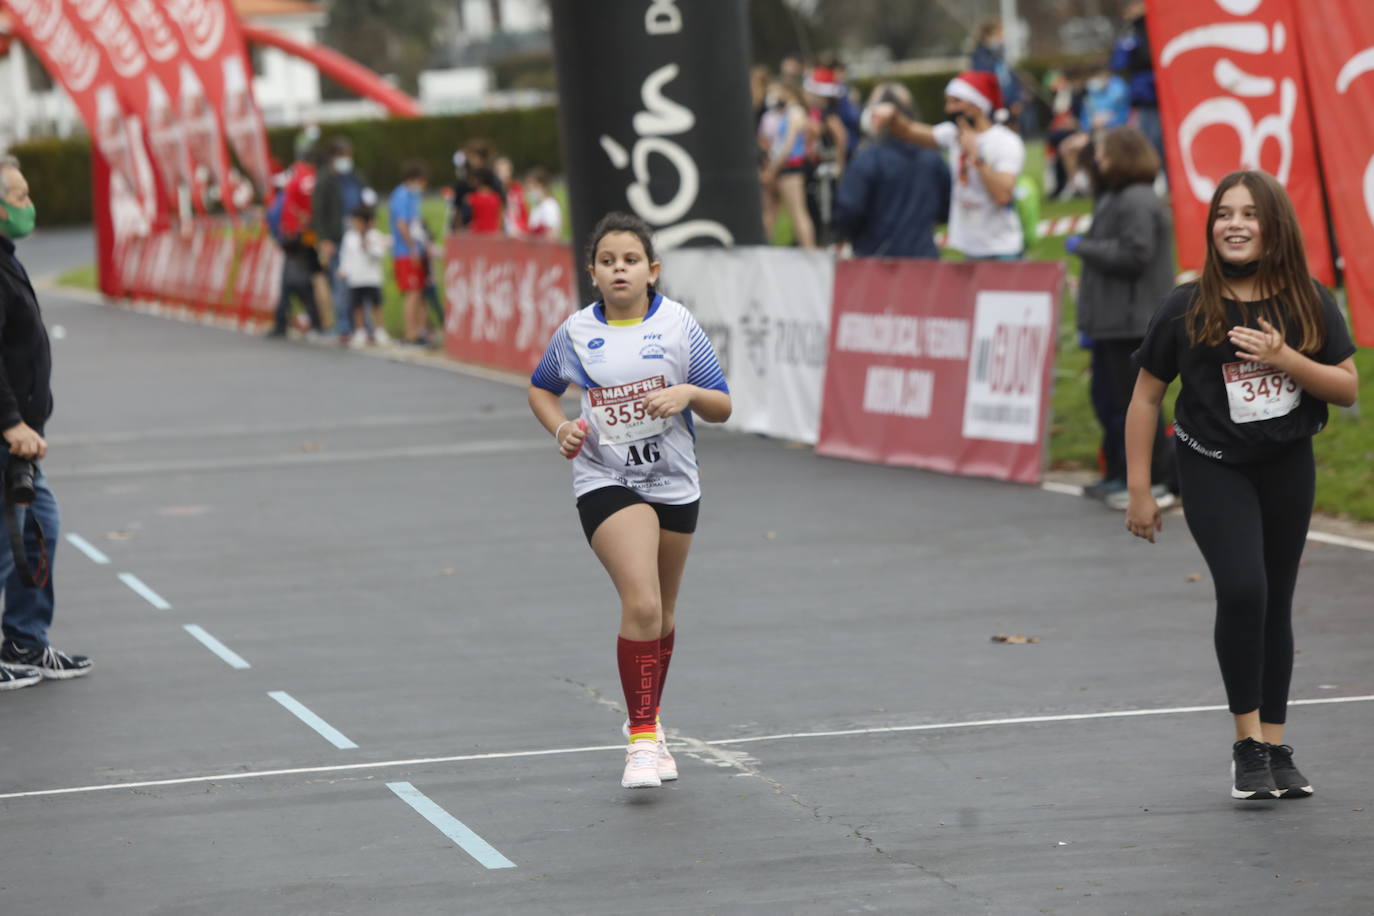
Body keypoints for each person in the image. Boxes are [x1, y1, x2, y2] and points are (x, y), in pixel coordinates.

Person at [1124, 170, 1359, 801]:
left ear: (1273, 225)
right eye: (1224, 212)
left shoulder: (1307, 300)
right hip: (1212, 463)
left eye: (1249, 214)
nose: (1234, 223)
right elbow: (1146, 398)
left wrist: (1284, 359)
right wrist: (1141, 489)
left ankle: (1276, 747)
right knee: (1244, 588)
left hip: (1286, 464)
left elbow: (1347, 386)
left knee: (1276, 599)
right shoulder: (1186, 304)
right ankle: (1246, 745)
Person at [526, 212, 731, 789]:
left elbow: (722, 404)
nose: (620, 269)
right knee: (640, 603)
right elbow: (542, 387)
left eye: (631, 260)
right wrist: (559, 427)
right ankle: (641, 742)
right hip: (605, 479)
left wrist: (687, 392)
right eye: (608, 261)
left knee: (662, 613)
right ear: (593, 273)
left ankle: (651, 720)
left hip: (674, 481)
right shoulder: (575, 333)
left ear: (652, 271)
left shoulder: (677, 325)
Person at [0, 155, 92, 687]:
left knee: (40, 529)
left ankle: (26, 642)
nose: (28, 205)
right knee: (6, 545)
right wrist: (11, 420)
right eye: (18, 196)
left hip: (22, 441)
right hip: (8, 435)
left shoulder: (6, 258)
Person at [1064, 127, 1176, 506]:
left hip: (1132, 321)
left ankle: (1156, 480)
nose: (1099, 161)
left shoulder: (1137, 201)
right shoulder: (1115, 197)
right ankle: (1118, 472)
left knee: (1136, 406)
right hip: (1112, 321)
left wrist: (1087, 248)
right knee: (1110, 403)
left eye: (1105, 154)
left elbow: (1135, 255)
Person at [872, 70, 1026, 259]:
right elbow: (908, 132)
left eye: (955, 102)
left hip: (1001, 250)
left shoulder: (1005, 142)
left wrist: (976, 156)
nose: (948, 109)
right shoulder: (952, 134)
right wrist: (893, 116)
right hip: (970, 249)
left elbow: (1002, 195)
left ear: (976, 104)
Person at [832, 83, 950, 259]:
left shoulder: (869, 158)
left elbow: (849, 210)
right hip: (925, 261)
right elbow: (946, 209)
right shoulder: (933, 158)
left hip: (876, 260)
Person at [312, 137, 369, 343]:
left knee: (362, 283)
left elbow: (366, 200)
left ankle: (363, 326)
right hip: (336, 238)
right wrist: (324, 239)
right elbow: (318, 212)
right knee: (340, 284)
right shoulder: (325, 180)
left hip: (357, 236)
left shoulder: (355, 177)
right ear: (335, 157)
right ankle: (343, 326)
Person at [760, 83, 817, 249]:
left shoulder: (795, 112)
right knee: (770, 213)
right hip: (782, 166)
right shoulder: (786, 113)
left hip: (791, 167)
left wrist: (773, 168)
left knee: (798, 213)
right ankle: (764, 248)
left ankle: (809, 251)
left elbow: (789, 144)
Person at [1111, 1, 1163, 162]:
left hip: (1153, 92)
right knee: (1148, 137)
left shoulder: (1149, 27)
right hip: (1143, 95)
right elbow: (1118, 62)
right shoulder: (1131, 32)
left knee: (1155, 137)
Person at [389, 160, 429, 345]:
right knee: (411, 292)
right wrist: (412, 248)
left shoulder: (413, 196)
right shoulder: (401, 196)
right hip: (405, 252)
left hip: (417, 249)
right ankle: (410, 332)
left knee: (419, 291)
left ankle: (420, 330)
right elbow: (402, 224)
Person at [337, 205, 390, 347]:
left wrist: (369, 247)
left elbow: (380, 254)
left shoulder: (374, 235)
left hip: (372, 278)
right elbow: (345, 256)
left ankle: (379, 331)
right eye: (354, 221)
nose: (355, 224)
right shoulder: (349, 237)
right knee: (357, 306)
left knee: (376, 305)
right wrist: (343, 269)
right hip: (356, 279)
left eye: (358, 221)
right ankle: (360, 332)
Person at [524, 168, 563, 240]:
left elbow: (553, 234)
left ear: (542, 186)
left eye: (531, 187)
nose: (529, 191)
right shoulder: (536, 207)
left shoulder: (550, 205)